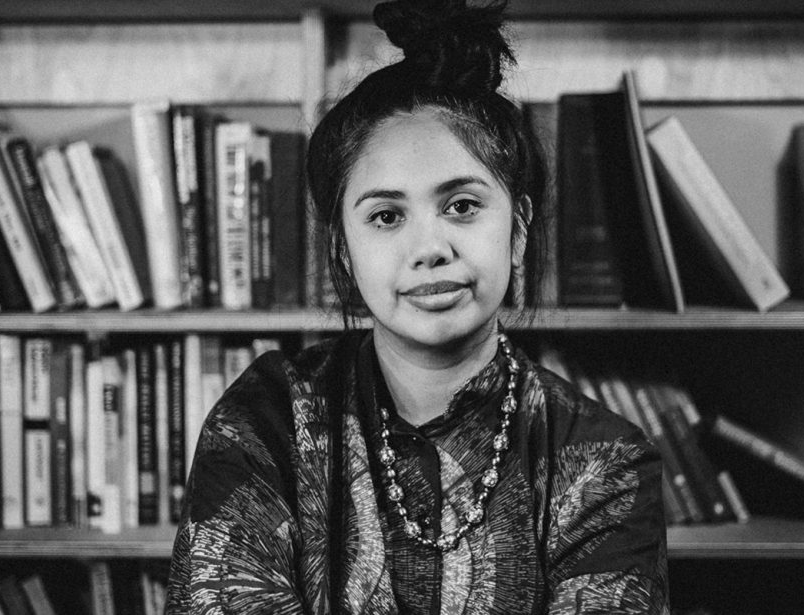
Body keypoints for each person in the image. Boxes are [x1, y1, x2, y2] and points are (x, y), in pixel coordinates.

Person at [166, 0, 670, 613]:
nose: (430, 249)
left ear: (518, 230)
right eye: (386, 216)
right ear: (343, 250)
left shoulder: (602, 458)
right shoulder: (267, 420)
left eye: (461, 206)